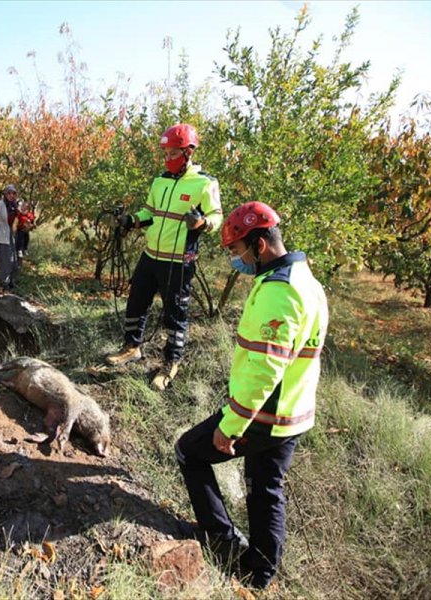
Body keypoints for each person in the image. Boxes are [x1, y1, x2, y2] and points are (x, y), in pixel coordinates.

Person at [174, 201, 328, 589]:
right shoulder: (306, 280)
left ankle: (222, 541)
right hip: (293, 411)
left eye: (236, 250)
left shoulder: (280, 292)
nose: (234, 259)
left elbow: (264, 370)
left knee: (189, 452)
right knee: (265, 489)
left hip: (264, 415)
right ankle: (259, 573)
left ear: (259, 245)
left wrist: (231, 425)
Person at [104, 123, 223, 390]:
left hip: (178, 261)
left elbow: (217, 217)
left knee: (175, 313)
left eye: (172, 154)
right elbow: (150, 213)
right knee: (136, 301)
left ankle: (171, 363)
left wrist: (201, 224)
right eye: (165, 154)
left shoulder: (205, 183)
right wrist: (131, 220)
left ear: (188, 152)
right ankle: (132, 347)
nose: (167, 159)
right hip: (151, 256)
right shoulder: (160, 181)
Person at [0, 184, 20, 292]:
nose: (11, 195)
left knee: (14, 260)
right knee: (5, 260)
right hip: (3, 235)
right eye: (9, 193)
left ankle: (11, 282)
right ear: (5, 194)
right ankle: (4, 283)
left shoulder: (15, 206)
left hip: (13, 236)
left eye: (13, 193)